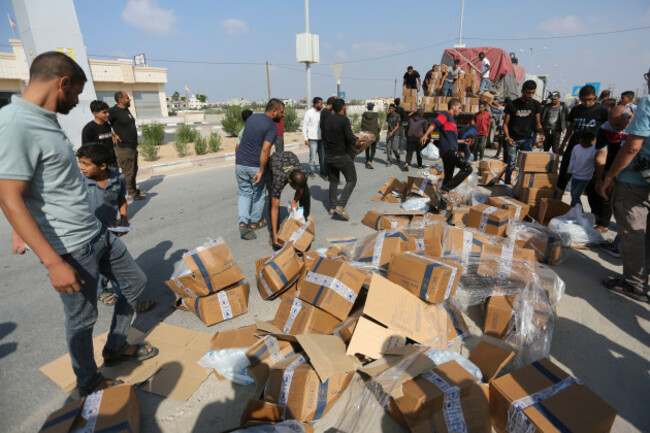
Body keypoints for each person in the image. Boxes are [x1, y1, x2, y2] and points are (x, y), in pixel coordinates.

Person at [0, 51, 157, 397]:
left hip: (95, 232)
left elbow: (35, 182)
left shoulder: (45, 118)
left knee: (135, 283)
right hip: (68, 247)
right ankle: (88, 382)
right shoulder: (14, 123)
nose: (76, 102)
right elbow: (8, 196)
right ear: (63, 82)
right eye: (74, 95)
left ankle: (116, 348)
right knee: (82, 320)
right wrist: (54, 263)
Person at [75, 143, 155, 312]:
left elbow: (121, 199)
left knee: (112, 266)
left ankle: (124, 299)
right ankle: (117, 297)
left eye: (86, 164)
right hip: (89, 235)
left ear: (102, 165)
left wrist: (124, 219)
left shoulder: (117, 178)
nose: (81, 167)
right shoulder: (78, 181)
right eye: (80, 162)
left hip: (111, 231)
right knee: (106, 266)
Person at [597, 68, 650, 303]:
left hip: (636, 182)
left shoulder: (647, 103)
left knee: (633, 233)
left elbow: (632, 147)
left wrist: (609, 177)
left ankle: (635, 284)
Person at [235, 98, 284, 240]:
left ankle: (243, 223)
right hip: (254, 165)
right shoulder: (272, 127)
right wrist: (262, 170)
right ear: (274, 111)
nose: (283, 115)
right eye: (281, 112)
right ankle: (256, 222)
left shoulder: (252, 118)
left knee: (244, 193)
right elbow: (265, 149)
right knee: (259, 193)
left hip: (240, 163)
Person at [587, 105, 632, 234]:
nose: (614, 128)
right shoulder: (606, 128)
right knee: (596, 189)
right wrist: (600, 179)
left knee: (615, 195)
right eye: (611, 124)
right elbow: (601, 156)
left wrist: (611, 178)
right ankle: (596, 216)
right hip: (610, 162)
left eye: (617, 125)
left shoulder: (638, 127)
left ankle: (605, 223)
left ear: (629, 118)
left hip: (631, 167)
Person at [557, 85, 609, 192]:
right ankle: (558, 197)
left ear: (594, 97)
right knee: (565, 170)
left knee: (589, 174)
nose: (586, 103)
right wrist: (562, 145)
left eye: (590, 100)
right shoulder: (576, 110)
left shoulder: (601, 110)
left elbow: (607, 128)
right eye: (583, 100)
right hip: (575, 144)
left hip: (592, 147)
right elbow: (570, 128)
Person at [421, 98, 473, 191]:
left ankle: (442, 204)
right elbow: (435, 123)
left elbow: (452, 140)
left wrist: (464, 141)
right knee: (467, 168)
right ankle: (445, 189)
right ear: (453, 107)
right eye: (459, 108)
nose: (461, 111)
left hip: (449, 152)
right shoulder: (446, 114)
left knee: (448, 178)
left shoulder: (452, 121)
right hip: (449, 151)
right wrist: (425, 135)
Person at [502, 80, 545, 184]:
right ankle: (507, 184)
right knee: (511, 163)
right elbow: (505, 124)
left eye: (533, 93)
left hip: (527, 140)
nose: (530, 95)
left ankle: (521, 185)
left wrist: (541, 133)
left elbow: (538, 123)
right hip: (513, 139)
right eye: (528, 93)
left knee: (525, 165)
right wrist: (508, 137)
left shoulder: (536, 105)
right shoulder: (512, 105)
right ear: (522, 91)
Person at [323, 98, 358, 221]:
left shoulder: (327, 120)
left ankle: (332, 207)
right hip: (341, 156)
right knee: (352, 180)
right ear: (343, 107)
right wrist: (357, 140)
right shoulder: (344, 120)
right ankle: (341, 205)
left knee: (334, 181)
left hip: (329, 156)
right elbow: (350, 138)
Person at [267, 151, 310, 248]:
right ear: (290, 181)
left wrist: (294, 202)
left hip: (290, 157)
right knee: (272, 200)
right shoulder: (278, 179)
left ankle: (303, 226)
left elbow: (301, 191)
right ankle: (274, 234)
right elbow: (275, 208)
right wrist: (275, 235)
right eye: (296, 188)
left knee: (305, 194)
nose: (299, 190)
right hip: (274, 163)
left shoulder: (303, 173)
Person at [109, 91, 146, 201]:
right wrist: (113, 134)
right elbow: (103, 123)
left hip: (132, 146)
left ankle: (134, 189)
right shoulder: (113, 111)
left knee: (133, 169)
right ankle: (130, 193)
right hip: (123, 147)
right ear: (120, 99)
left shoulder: (125, 110)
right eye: (127, 97)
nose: (129, 99)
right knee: (128, 171)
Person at [567, 130, 601, 207]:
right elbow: (572, 160)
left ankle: (572, 211)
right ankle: (579, 212)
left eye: (586, 142)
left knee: (575, 195)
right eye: (582, 141)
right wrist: (569, 171)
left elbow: (597, 163)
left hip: (586, 177)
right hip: (575, 176)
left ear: (592, 141)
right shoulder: (576, 148)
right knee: (573, 195)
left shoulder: (594, 149)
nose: (584, 144)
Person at [82, 100, 118, 168]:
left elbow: (107, 136)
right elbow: (85, 151)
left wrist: (115, 136)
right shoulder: (88, 129)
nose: (108, 114)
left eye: (107, 112)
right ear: (95, 114)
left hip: (112, 163)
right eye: (104, 112)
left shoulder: (107, 125)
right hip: (100, 166)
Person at [302, 97, 323, 177]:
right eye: (320, 103)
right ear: (316, 104)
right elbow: (305, 126)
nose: (322, 105)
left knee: (322, 156)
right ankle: (312, 171)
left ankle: (322, 171)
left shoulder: (322, 113)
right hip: (312, 138)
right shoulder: (309, 113)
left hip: (321, 138)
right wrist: (306, 138)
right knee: (312, 156)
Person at [319, 96, 336, 178]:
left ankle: (327, 173)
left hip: (325, 135)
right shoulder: (327, 112)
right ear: (331, 104)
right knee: (328, 156)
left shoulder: (324, 111)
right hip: (328, 137)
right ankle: (327, 173)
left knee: (327, 155)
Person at [361, 102, 381, 169]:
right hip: (374, 134)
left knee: (366, 147)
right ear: (372, 107)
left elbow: (362, 125)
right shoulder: (376, 115)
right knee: (373, 148)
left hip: (366, 134)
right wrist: (378, 131)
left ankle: (367, 160)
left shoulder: (364, 114)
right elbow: (378, 126)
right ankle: (370, 161)